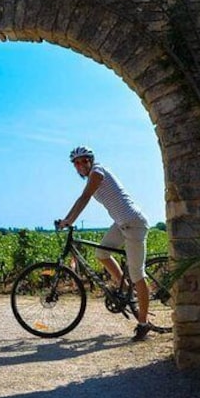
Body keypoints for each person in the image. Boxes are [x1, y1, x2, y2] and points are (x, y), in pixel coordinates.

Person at [55, 146, 153, 341]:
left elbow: (84, 198)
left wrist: (68, 220)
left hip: (133, 223)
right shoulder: (94, 173)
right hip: (121, 223)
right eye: (76, 163)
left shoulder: (98, 172)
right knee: (101, 253)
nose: (80, 165)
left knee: (137, 274)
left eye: (84, 161)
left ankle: (143, 323)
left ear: (91, 160)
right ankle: (124, 287)